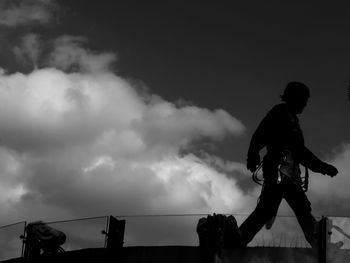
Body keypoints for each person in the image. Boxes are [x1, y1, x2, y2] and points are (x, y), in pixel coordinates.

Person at [238, 81, 338, 248]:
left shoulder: (289, 118)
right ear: (294, 98)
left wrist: (321, 167)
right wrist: (322, 167)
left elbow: (297, 151)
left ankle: (238, 240)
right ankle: (237, 240)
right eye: (303, 100)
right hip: (281, 173)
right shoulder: (280, 114)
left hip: (288, 174)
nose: (305, 104)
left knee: (285, 209)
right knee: (275, 209)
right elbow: (262, 135)